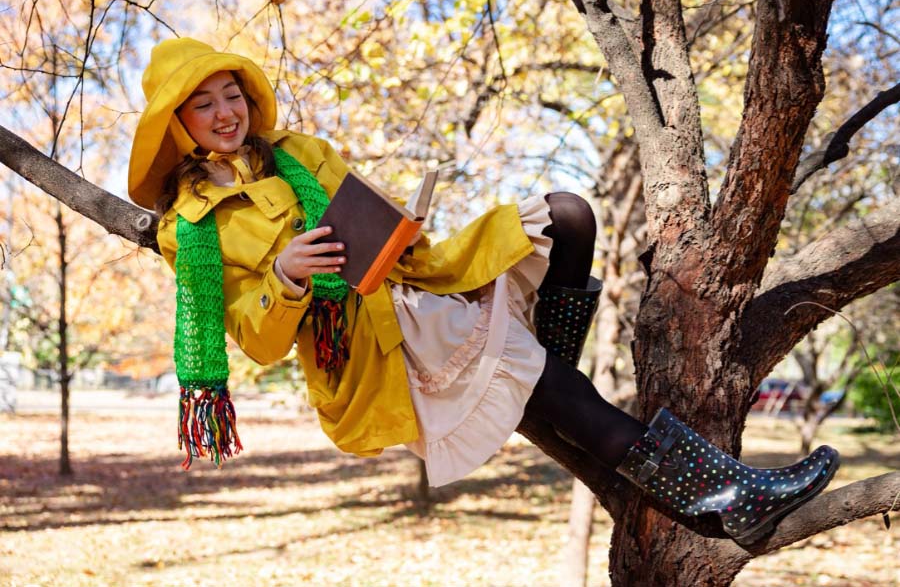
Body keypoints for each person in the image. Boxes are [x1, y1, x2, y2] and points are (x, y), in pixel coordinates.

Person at [128, 38, 839, 546]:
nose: (227, 113)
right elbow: (256, 341)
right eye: (204, 105)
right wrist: (284, 277)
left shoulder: (301, 155)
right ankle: (732, 496)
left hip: (414, 288)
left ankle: (552, 377)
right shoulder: (189, 230)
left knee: (568, 215)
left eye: (232, 95)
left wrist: (400, 226)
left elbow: (366, 221)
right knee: (558, 388)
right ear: (180, 127)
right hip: (372, 353)